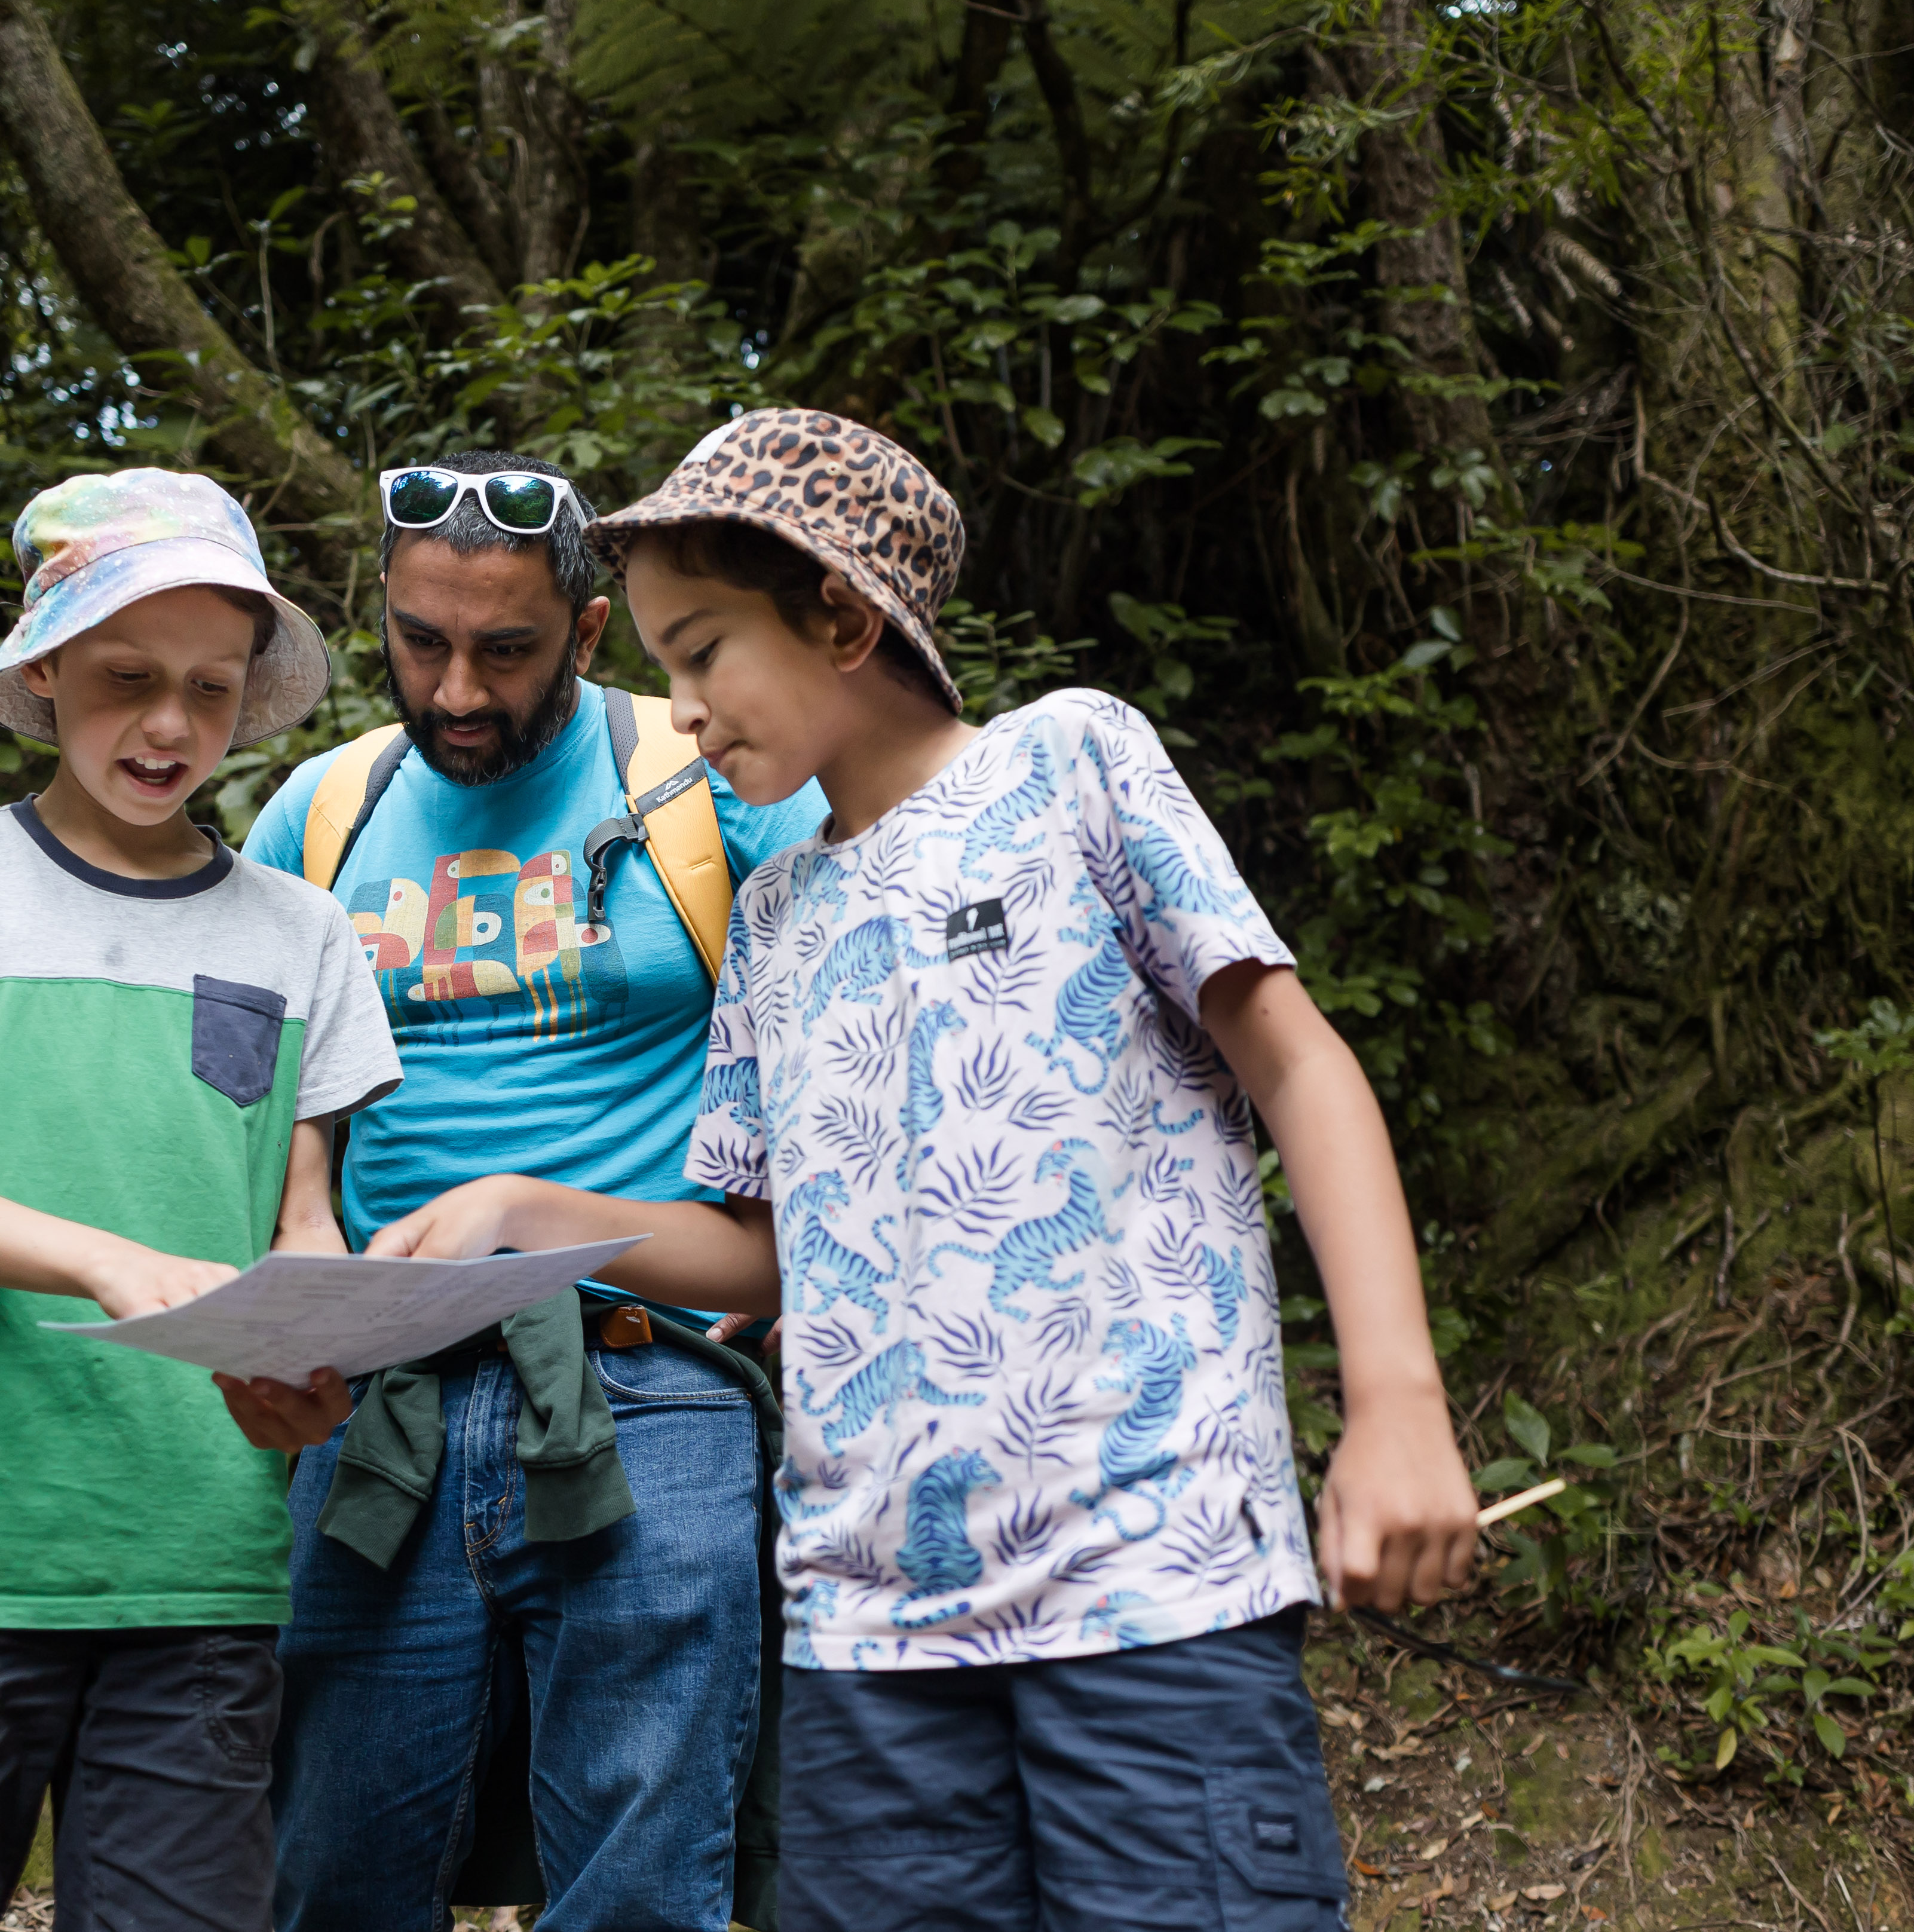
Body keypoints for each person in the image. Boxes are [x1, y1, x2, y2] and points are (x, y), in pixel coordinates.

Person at [367, 408, 1484, 1931]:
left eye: (701, 652)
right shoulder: (773, 917)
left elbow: (1295, 1062)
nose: (678, 710)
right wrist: (529, 1217)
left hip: (1145, 1585)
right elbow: (762, 1252)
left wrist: (1399, 1405)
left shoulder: (1070, 761)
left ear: (838, 611)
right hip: (863, 1633)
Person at [0, 468, 400, 1932]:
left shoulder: (302, 932)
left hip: (204, 1560)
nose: (170, 725)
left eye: (208, 686)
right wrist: (109, 1260)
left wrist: (315, 1352)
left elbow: (300, 1220)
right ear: (44, 671)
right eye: (125, 680)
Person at [227, 449, 829, 1932]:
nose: (454, 692)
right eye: (419, 641)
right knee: (334, 1872)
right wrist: (284, 1236)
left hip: (650, 1384)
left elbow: (845, 1065)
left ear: (588, 630)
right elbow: (247, 1095)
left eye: (504, 650)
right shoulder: (320, 813)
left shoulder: (699, 791)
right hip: (381, 1406)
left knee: (638, 1883)